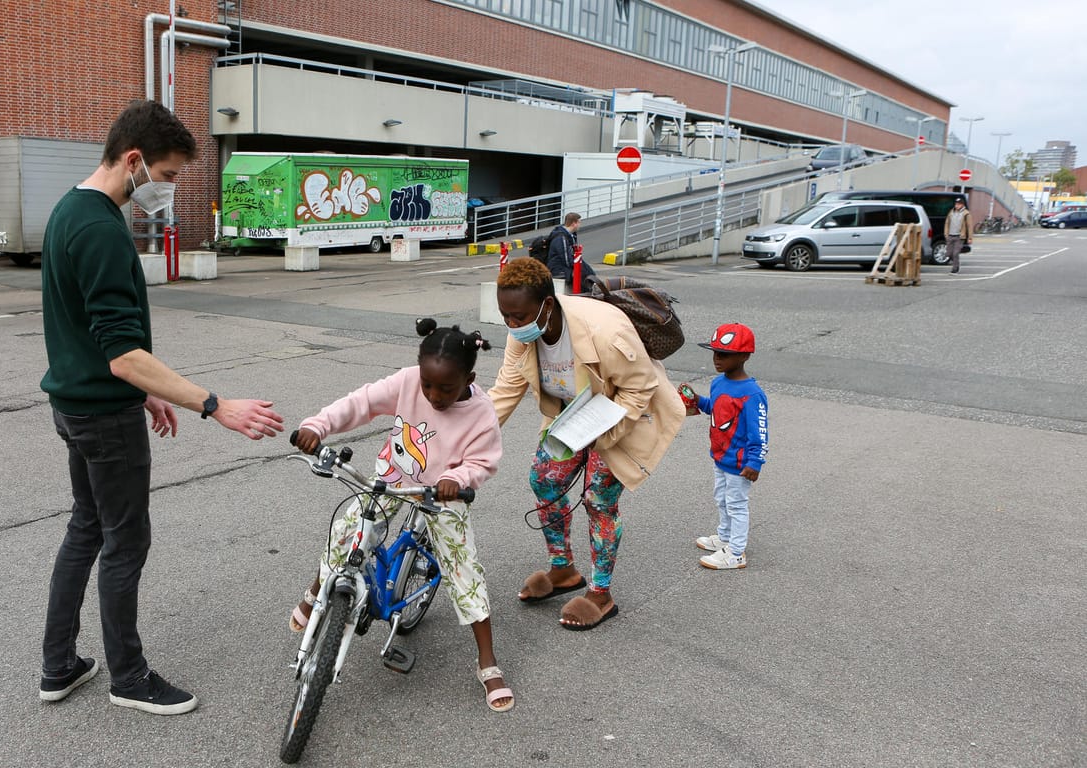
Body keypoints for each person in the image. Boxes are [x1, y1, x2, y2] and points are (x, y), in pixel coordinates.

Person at [37, 100, 284, 716]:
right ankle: (128, 676)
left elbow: (91, 334)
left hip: (74, 405)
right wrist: (214, 404)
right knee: (125, 542)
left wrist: (146, 389)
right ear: (134, 160)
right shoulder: (99, 229)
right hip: (103, 418)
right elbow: (122, 353)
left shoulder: (69, 210)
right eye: (169, 175)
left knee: (85, 529)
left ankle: (59, 665)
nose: (168, 189)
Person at [289, 319, 514, 713]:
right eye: (428, 385)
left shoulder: (481, 412)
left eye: (446, 387)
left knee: (465, 573)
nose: (433, 395)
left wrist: (456, 478)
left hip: (442, 494)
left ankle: (487, 662)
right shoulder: (409, 381)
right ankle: (314, 593)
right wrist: (317, 425)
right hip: (394, 475)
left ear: (469, 378)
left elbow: (483, 460)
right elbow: (361, 403)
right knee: (351, 531)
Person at [488, 258, 684, 631]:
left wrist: (602, 436)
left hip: (618, 415)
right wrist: (463, 438)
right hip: (570, 415)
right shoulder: (522, 333)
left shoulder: (606, 332)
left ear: (547, 304)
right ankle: (563, 570)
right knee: (544, 479)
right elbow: (504, 392)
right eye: (505, 316)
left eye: (518, 316)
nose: (512, 325)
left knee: (599, 499)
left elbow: (640, 386)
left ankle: (600, 593)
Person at [678, 323, 768, 570]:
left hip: (739, 463)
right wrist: (697, 401)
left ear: (744, 355)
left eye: (724, 354)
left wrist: (755, 462)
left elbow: (759, 431)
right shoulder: (719, 383)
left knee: (736, 504)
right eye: (715, 352)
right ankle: (725, 537)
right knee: (721, 499)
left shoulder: (752, 393)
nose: (717, 359)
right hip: (720, 456)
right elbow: (715, 408)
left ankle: (736, 552)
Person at [544, 212, 596, 292]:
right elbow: (566, 259)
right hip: (557, 267)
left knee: (588, 270)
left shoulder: (570, 235)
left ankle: (590, 290)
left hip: (563, 265)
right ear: (574, 223)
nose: (580, 225)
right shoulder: (561, 237)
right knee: (580, 274)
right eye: (579, 222)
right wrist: (577, 268)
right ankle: (584, 294)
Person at [945, 197, 972, 274]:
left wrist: (970, 237)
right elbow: (947, 223)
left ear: (962, 205)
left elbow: (969, 226)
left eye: (959, 204)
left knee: (955, 253)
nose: (957, 205)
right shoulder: (951, 212)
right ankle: (956, 263)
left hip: (959, 237)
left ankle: (955, 268)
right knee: (949, 254)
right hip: (950, 235)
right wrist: (946, 233)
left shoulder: (966, 213)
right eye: (956, 204)